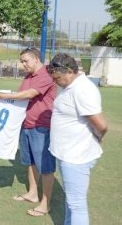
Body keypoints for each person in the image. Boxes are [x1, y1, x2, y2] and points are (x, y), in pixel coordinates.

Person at [0, 47, 56, 216]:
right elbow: (19, 95)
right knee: (31, 162)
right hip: (26, 125)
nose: (23, 64)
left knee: (46, 167)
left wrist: (1, 96)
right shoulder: (28, 76)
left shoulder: (46, 75)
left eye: (25, 61)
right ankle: (33, 194)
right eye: (22, 62)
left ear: (36, 59)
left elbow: (28, 94)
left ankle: (45, 204)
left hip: (42, 127)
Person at [48, 53, 108, 225]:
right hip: (68, 153)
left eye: (58, 78)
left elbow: (101, 125)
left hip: (76, 156)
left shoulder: (82, 90)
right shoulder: (70, 85)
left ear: (69, 71)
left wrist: (97, 136)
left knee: (77, 204)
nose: (56, 82)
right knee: (72, 201)